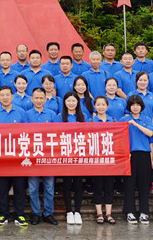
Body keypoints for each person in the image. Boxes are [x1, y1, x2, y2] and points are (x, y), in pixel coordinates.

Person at [0, 87, 28, 227]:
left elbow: (27, 133)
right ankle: (3, 214)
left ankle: (20, 214)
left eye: (7, 95)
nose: (5, 97)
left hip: (18, 157)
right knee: (2, 187)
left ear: (12, 96)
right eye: (2, 95)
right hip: (1, 158)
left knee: (19, 187)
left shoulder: (21, 112)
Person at [25, 88, 58, 225]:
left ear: (45, 99)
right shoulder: (26, 115)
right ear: (32, 99)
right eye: (36, 98)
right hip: (32, 156)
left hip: (48, 155)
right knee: (33, 188)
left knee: (49, 187)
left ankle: (48, 213)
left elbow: (57, 134)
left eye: (41, 98)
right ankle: (36, 213)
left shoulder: (52, 114)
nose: (38, 100)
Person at [121, 95, 153, 225]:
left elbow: (150, 133)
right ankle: (130, 212)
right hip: (129, 155)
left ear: (141, 106)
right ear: (129, 107)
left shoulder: (146, 119)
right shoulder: (124, 120)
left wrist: (135, 124)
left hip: (144, 155)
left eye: (137, 105)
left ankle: (144, 212)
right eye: (132, 105)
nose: (135, 107)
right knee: (129, 185)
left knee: (144, 185)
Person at [61, 91, 86, 225]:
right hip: (65, 155)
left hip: (78, 155)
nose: (71, 103)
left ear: (78, 102)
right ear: (64, 102)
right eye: (68, 101)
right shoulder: (60, 116)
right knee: (66, 184)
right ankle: (69, 212)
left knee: (78, 184)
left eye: (73, 101)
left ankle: (77, 211)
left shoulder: (83, 116)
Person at [91, 95, 116, 224]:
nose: (101, 107)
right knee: (97, 186)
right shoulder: (91, 121)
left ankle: (109, 213)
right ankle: (99, 213)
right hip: (96, 158)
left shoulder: (113, 120)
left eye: (103, 104)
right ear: (94, 106)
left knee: (109, 186)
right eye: (98, 105)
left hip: (110, 158)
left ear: (107, 106)